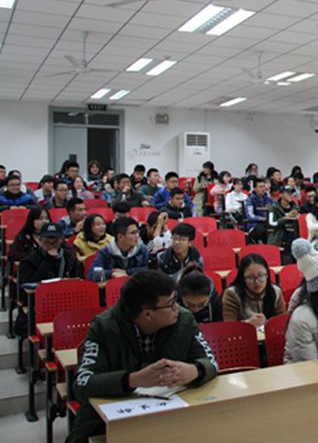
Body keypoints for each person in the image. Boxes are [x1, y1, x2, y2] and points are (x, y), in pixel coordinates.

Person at [68, 270, 218, 443]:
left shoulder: (184, 320)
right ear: (148, 313)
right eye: (170, 304)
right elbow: (82, 384)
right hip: (109, 421)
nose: (177, 308)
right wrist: (133, 380)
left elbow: (211, 362)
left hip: (172, 415)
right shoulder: (104, 327)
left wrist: (195, 370)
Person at [222, 253, 286, 326]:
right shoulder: (232, 294)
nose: (257, 282)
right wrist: (248, 323)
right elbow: (229, 326)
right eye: (250, 277)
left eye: (260, 275)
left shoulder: (276, 291)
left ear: (267, 275)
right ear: (243, 278)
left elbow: (282, 322)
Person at [245, 178, 272, 243]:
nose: (263, 189)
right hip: (255, 225)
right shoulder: (250, 200)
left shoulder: (268, 199)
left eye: (263, 186)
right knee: (263, 230)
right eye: (260, 187)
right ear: (254, 189)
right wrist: (261, 218)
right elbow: (250, 215)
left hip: (268, 223)